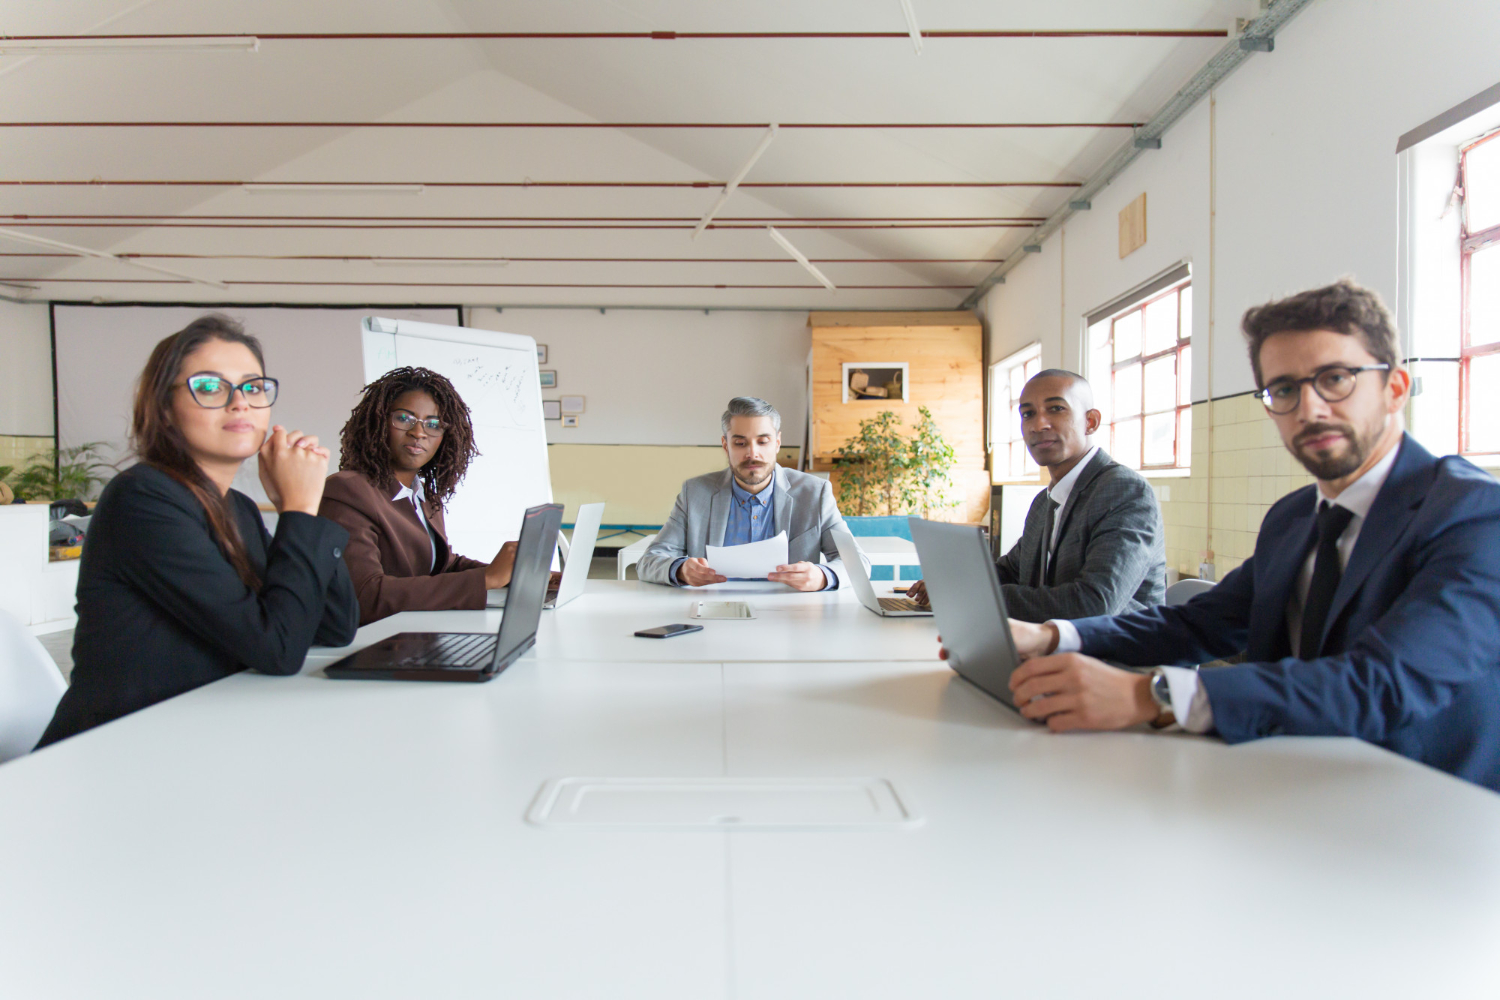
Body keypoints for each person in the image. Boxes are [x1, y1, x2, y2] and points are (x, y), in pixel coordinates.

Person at [980, 280, 1500, 792]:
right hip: (1285, 784)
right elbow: (1200, 625)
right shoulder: (1294, 518)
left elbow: (1383, 684)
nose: (1310, 408)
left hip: (1428, 812)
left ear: (1395, 389)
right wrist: (1053, 635)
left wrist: (1154, 695)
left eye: (1336, 379)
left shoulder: (1472, 515)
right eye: (1285, 389)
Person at [36, 315, 358, 748]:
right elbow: (277, 650)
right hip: (116, 755)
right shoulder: (142, 500)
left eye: (253, 386)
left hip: (200, 739)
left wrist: (299, 507)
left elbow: (333, 627)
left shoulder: (237, 508)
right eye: (209, 387)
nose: (239, 402)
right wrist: (298, 509)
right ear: (164, 408)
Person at [907, 369, 1165, 620]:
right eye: (1028, 414)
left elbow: (1094, 603)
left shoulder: (1124, 492)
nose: (1038, 424)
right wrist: (950, 582)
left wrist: (973, 594)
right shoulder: (1045, 501)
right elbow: (1010, 571)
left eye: (1056, 409)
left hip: (1116, 658)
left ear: (1090, 422)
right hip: (1050, 648)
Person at [319, 366, 529, 625]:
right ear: (377, 422)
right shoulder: (348, 490)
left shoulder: (423, 496)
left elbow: (440, 566)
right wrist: (485, 580)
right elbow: (365, 595)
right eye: (404, 419)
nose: (419, 433)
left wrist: (514, 574)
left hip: (413, 632)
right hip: (370, 643)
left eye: (433, 425)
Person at [637, 396, 868, 590]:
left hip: (791, 615)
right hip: (713, 613)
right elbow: (648, 562)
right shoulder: (695, 493)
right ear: (726, 445)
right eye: (740, 443)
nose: (752, 453)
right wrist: (680, 570)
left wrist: (823, 576)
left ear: (777, 443)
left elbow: (859, 563)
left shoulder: (815, 493)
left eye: (763, 441)